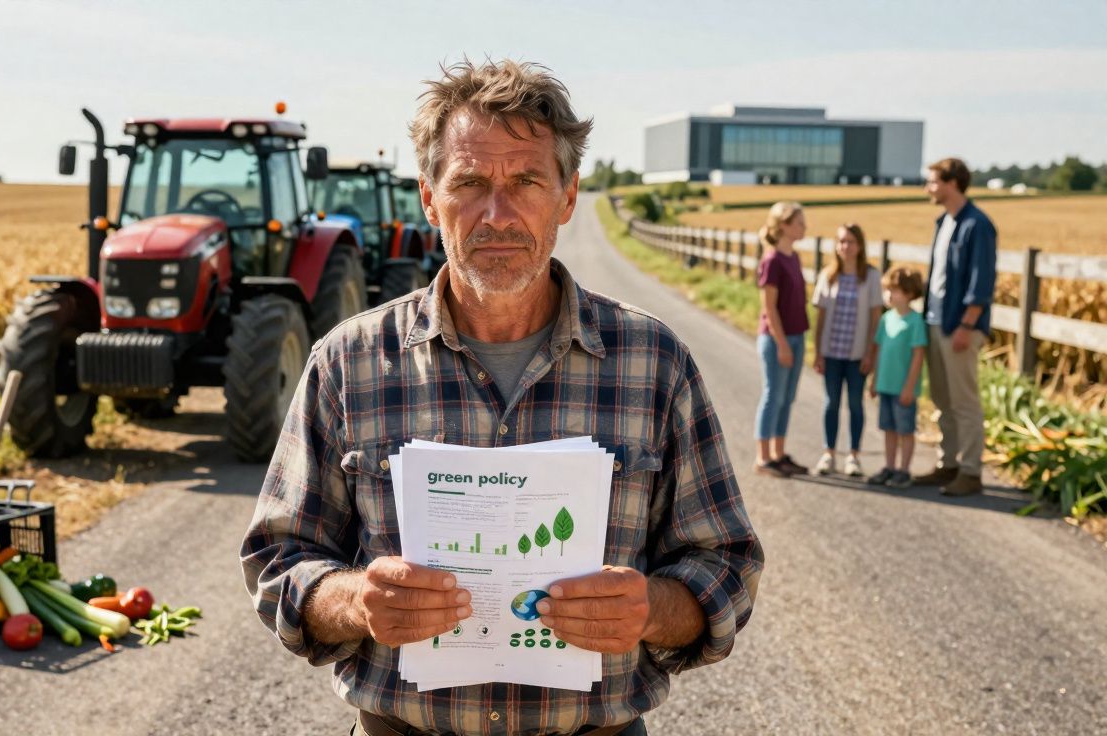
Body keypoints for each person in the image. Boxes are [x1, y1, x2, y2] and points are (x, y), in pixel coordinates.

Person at [240, 59, 763, 736]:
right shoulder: (348, 362)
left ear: (567, 196)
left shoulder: (653, 362)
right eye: (470, 183)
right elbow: (279, 558)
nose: (498, 214)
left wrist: (651, 608)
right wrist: (356, 600)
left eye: (526, 182)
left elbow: (725, 562)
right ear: (430, 199)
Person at [912, 158, 997, 497]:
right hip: (935, 322)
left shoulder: (977, 225)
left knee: (964, 402)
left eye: (932, 181)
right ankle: (948, 464)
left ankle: (971, 471)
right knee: (942, 399)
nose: (927, 188)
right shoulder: (943, 222)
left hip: (959, 327)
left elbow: (982, 282)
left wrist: (966, 325)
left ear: (951, 183)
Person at [811, 224, 882, 477]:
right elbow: (820, 318)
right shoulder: (828, 275)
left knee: (855, 403)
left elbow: (876, 318)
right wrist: (818, 351)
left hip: (857, 354)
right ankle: (828, 453)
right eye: (841, 241)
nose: (845, 246)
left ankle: (854, 455)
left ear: (860, 245)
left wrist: (870, 352)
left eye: (850, 241)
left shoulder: (871, 276)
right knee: (831, 403)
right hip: (831, 351)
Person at [753, 201, 810, 478]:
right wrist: (783, 344)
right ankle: (763, 458)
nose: (804, 227)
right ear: (785, 226)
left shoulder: (794, 257)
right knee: (772, 396)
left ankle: (778, 453)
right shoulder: (772, 260)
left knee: (787, 398)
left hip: (798, 335)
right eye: (799, 222)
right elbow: (769, 307)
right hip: (777, 339)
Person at [865, 267, 928, 488]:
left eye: (895, 291)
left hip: (904, 389)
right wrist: (874, 380)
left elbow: (918, 356)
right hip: (885, 386)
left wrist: (909, 387)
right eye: (887, 290)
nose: (889, 295)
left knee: (905, 430)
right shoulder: (886, 319)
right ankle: (890, 467)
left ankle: (904, 470)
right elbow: (880, 351)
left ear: (910, 293)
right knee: (889, 430)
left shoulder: (915, 322)